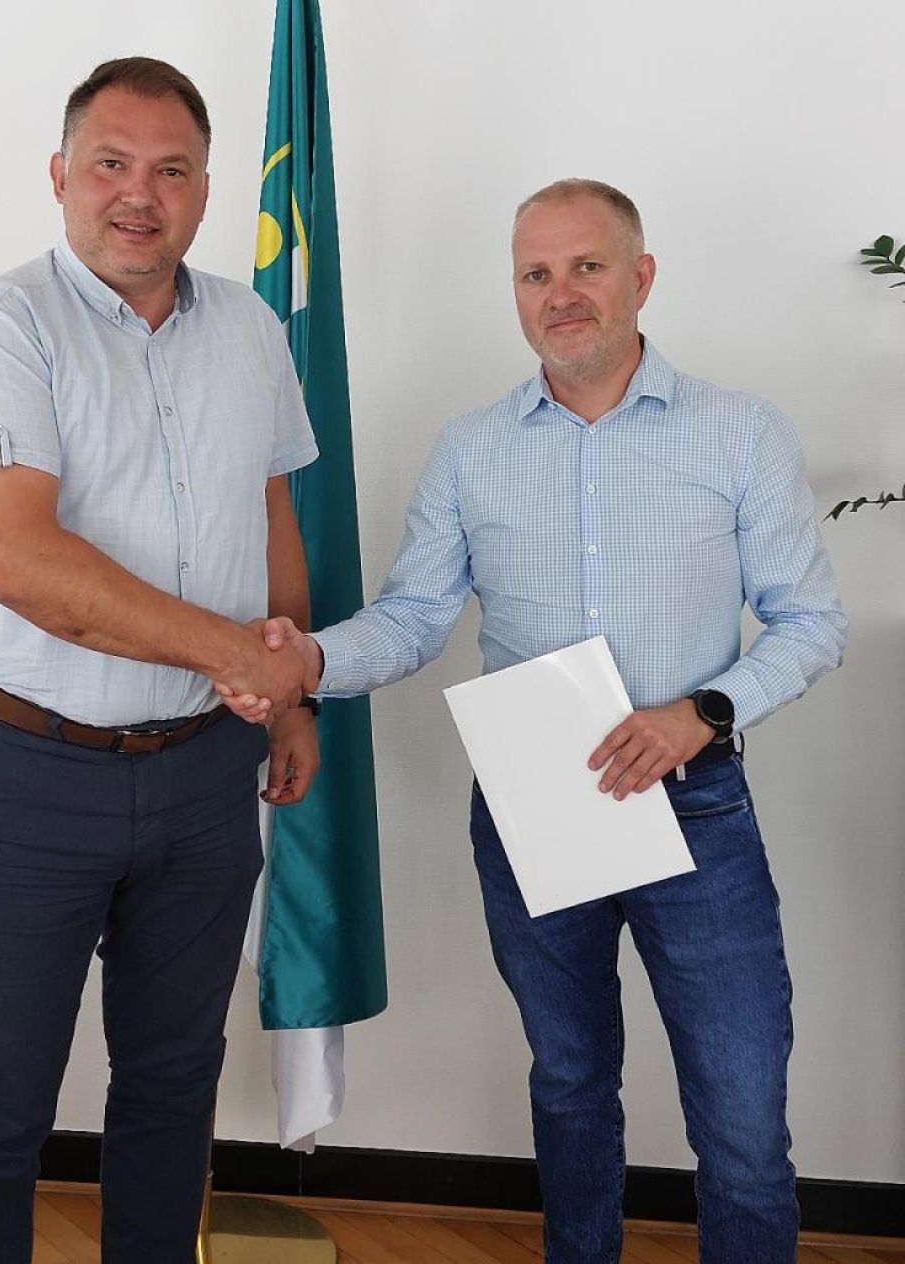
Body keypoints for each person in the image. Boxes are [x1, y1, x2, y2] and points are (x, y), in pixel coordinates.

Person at [218, 179, 846, 1264]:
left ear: (642, 277)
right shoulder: (472, 449)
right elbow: (414, 617)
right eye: (535, 274)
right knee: (569, 1083)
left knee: (742, 1115)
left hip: (694, 807)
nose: (562, 294)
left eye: (587, 266)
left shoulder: (741, 434)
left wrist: (703, 713)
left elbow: (812, 623)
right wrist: (308, 661)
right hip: (532, 810)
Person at [0, 56, 320, 1264]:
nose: (140, 193)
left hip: (203, 774)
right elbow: (19, 561)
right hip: (28, 776)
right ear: (60, 175)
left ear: (206, 191)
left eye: (172, 170)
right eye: (111, 163)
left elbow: (271, 511)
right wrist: (242, 655)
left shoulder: (249, 328)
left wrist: (287, 699)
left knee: (173, 1088)